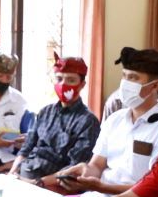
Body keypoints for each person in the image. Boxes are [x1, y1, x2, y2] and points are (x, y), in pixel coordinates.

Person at [54, 49, 158, 197]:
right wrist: (85, 173)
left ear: (155, 86)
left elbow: (152, 190)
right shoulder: (116, 119)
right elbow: (97, 165)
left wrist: (102, 186)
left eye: (134, 78)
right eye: (125, 76)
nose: (126, 83)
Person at [10, 55, 99, 184]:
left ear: (82, 85)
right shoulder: (45, 112)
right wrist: (13, 173)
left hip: (52, 184)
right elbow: (26, 147)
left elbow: (74, 168)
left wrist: (38, 183)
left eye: (71, 80)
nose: (63, 84)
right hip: (24, 174)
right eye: (59, 79)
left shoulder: (88, 121)